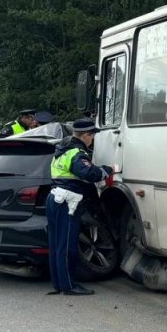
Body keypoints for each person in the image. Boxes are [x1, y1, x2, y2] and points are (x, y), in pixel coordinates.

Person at [45, 118, 111, 296]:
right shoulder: (76, 152)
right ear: (87, 135)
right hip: (67, 201)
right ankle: (69, 286)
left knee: (56, 244)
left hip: (54, 198)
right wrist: (106, 170)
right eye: (92, 136)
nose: (93, 140)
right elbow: (89, 173)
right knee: (67, 245)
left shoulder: (61, 148)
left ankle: (58, 284)